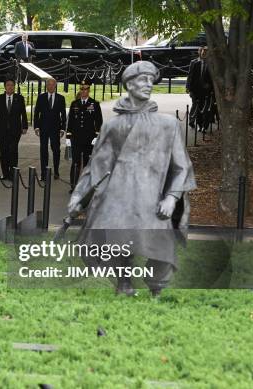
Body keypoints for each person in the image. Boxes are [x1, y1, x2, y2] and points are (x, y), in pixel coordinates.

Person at [68, 61, 196, 297]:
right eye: (142, 80)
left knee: (160, 246)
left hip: (153, 197)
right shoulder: (113, 125)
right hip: (119, 196)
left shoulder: (168, 125)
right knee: (118, 238)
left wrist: (171, 197)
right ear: (128, 84)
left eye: (151, 80)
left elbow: (181, 168)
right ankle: (123, 283)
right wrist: (78, 198)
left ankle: (156, 289)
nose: (148, 84)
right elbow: (97, 166)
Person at [66, 80, 102, 193]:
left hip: (89, 139)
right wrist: (68, 137)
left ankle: (86, 187)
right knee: (75, 163)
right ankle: (73, 185)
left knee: (87, 163)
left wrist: (97, 136)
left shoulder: (94, 104)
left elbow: (99, 121)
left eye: (85, 89)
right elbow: (70, 122)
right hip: (76, 138)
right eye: (81, 89)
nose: (83, 91)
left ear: (88, 90)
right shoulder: (74, 104)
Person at [0, 78, 28, 180]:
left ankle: (13, 173)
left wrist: (24, 126)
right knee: (4, 152)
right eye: (8, 85)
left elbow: (23, 113)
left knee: (13, 151)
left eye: (12, 85)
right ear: (5, 87)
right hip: (2, 130)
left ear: (14, 87)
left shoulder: (19, 98)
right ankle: (5, 173)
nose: (10, 87)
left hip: (15, 130)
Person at [33, 77, 66, 180]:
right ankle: (43, 174)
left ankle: (56, 171)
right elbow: (36, 113)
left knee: (56, 150)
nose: (50, 86)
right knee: (43, 150)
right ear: (46, 86)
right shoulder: (41, 97)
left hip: (56, 128)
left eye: (52, 84)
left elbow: (63, 115)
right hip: (43, 127)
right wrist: (36, 127)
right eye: (49, 85)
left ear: (55, 86)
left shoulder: (60, 98)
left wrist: (62, 128)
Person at [186, 46, 214, 132]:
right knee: (197, 106)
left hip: (207, 91)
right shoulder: (195, 63)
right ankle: (197, 123)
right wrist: (188, 88)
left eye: (206, 52)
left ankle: (204, 126)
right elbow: (190, 76)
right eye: (203, 52)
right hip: (196, 90)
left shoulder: (212, 64)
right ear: (200, 52)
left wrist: (209, 86)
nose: (204, 53)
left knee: (206, 108)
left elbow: (214, 78)